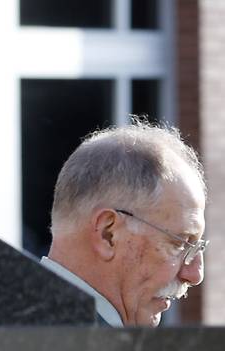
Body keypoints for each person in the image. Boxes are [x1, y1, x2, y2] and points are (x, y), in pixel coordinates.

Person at [42, 120, 208, 327]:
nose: (194, 274)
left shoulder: (10, 320)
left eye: (196, 247)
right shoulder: (78, 349)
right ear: (108, 234)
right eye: (180, 244)